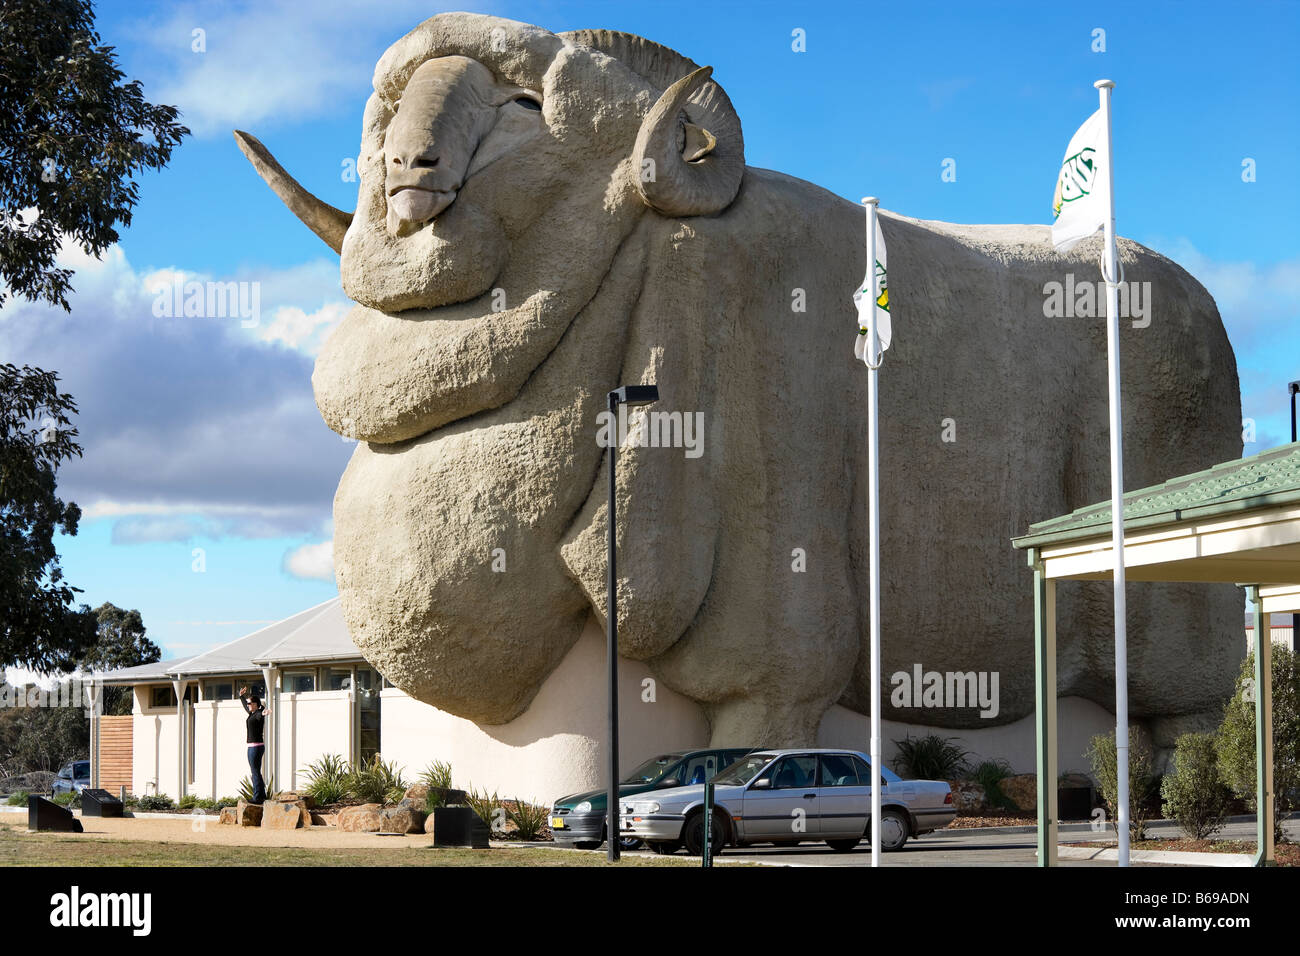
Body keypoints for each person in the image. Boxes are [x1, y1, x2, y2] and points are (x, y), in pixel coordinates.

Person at [238, 685, 271, 803]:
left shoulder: (257, 713)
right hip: (255, 747)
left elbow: (261, 714)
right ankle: (261, 795)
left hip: (255, 748)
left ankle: (257, 797)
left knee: (255, 772)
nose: (248, 705)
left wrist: (265, 712)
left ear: (255, 704)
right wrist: (241, 696)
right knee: (256, 771)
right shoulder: (252, 713)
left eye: (249, 703)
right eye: (247, 704)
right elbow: (246, 707)